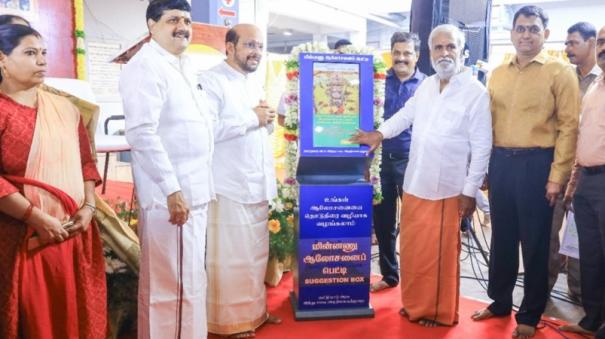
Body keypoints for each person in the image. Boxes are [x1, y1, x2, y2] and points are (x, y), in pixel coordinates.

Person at [352, 24, 492, 327]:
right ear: (429, 54)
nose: (444, 53)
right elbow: (405, 116)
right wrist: (379, 133)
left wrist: (469, 191)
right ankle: (415, 305)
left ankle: (438, 313)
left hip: (447, 188)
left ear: (462, 50)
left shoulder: (475, 92)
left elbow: (482, 147)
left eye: (450, 47)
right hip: (416, 181)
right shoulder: (427, 85)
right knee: (414, 252)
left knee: (438, 257)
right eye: (438, 48)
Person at [471, 6, 580, 339]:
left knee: (534, 243)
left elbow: (569, 127)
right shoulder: (498, 73)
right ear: (512, 33)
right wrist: (486, 167)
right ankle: (500, 302)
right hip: (501, 162)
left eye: (533, 29)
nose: (526, 35)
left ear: (545, 34)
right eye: (520, 28)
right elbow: (486, 124)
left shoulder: (560, 72)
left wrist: (556, 176)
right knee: (501, 238)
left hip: (538, 165)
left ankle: (530, 313)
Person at [0, 24, 106, 338]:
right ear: (2, 59)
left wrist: (88, 207)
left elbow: (87, 162)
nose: (42, 61)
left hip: (73, 234)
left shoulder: (66, 109)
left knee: (74, 318)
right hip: (22, 238)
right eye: (30, 53)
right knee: (36, 323)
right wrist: (37, 217)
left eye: (44, 53)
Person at [120, 0, 214, 337]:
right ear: (151, 25)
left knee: (190, 279)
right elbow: (142, 134)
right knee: (168, 284)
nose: (183, 26)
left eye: (187, 20)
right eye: (173, 19)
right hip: (170, 198)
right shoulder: (145, 66)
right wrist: (172, 190)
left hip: (194, 192)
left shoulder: (183, 65)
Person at [198, 23, 280, 338]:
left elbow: (257, 127)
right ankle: (227, 323)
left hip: (256, 183)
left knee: (256, 254)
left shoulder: (251, 82)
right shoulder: (210, 81)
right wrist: (252, 118)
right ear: (229, 47)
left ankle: (255, 313)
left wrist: (266, 120)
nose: (256, 52)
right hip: (229, 185)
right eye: (249, 45)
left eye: (260, 46)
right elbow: (209, 131)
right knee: (230, 258)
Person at [370, 32, 426, 293]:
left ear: (417, 56)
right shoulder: (378, 81)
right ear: (390, 53)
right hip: (379, 162)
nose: (401, 58)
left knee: (415, 224)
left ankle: (416, 279)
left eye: (407, 53)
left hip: (411, 162)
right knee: (383, 223)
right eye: (397, 52)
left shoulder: (428, 85)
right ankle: (389, 275)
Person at [559, 25, 605, 337]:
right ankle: (592, 319)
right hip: (587, 181)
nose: (603, 47)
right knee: (590, 255)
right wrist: (574, 183)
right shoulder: (594, 86)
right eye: (602, 42)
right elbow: (583, 139)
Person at [548, 21, 599, 300]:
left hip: (591, 171)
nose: (567, 49)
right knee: (549, 232)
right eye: (566, 43)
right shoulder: (564, 77)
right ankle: (541, 289)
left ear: (592, 43)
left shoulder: (600, 80)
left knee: (583, 237)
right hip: (561, 165)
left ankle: (581, 295)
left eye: (573, 43)